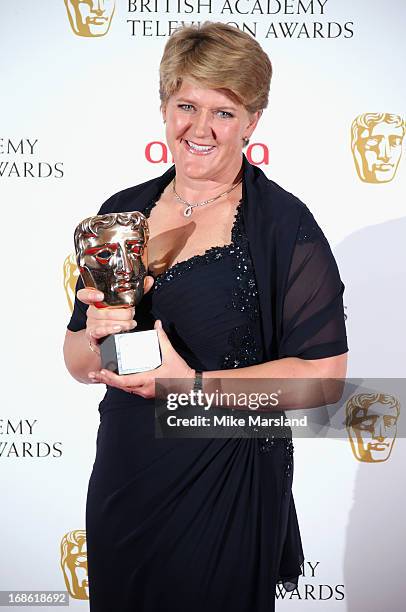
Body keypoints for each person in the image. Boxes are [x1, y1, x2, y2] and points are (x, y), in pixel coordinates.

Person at [64, 22, 348, 612]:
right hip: (127, 474)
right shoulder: (121, 212)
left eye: (224, 110)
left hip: (223, 480)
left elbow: (325, 377)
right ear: (165, 106)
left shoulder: (282, 226)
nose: (200, 127)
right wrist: (95, 333)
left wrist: (189, 388)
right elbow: (77, 361)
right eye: (186, 104)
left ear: (252, 122)